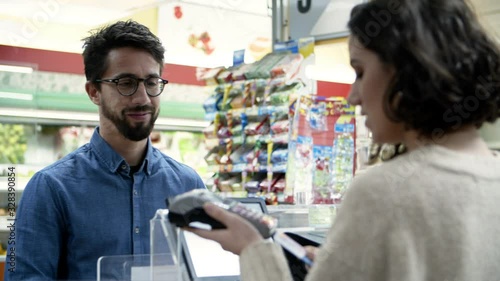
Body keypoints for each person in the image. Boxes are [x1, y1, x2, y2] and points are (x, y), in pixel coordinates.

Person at [189, 0, 500, 280]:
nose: (352, 96)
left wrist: (253, 248)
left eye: (360, 72)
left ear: (409, 71)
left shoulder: (383, 192)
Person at [5, 20, 205, 281]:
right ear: (94, 92)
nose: (143, 98)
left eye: (152, 82)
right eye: (125, 82)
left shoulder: (188, 185)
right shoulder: (51, 188)